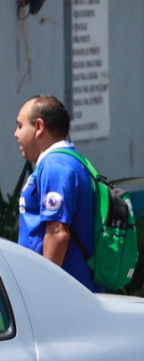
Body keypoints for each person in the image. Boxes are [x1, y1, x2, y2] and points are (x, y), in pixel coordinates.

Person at [13, 95, 102, 292]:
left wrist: (45, 291)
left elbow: (57, 233)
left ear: (39, 127)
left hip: (64, 296)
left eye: (20, 126)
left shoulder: (55, 166)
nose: (15, 134)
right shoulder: (69, 161)